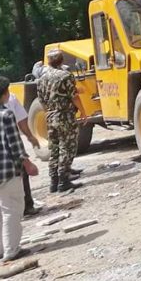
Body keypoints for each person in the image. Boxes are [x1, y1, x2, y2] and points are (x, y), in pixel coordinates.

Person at [0, 76, 37, 261]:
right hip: (7, 171)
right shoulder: (5, 115)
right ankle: (11, 250)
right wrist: (28, 163)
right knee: (12, 210)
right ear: (4, 94)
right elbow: (15, 145)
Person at [36, 51, 83, 193]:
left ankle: (53, 181)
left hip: (50, 116)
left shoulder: (41, 78)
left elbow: (42, 101)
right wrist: (84, 112)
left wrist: (49, 113)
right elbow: (74, 96)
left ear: (48, 62)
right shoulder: (65, 76)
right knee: (67, 147)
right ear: (61, 61)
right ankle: (64, 181)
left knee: (54, 148)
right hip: (65, 116)